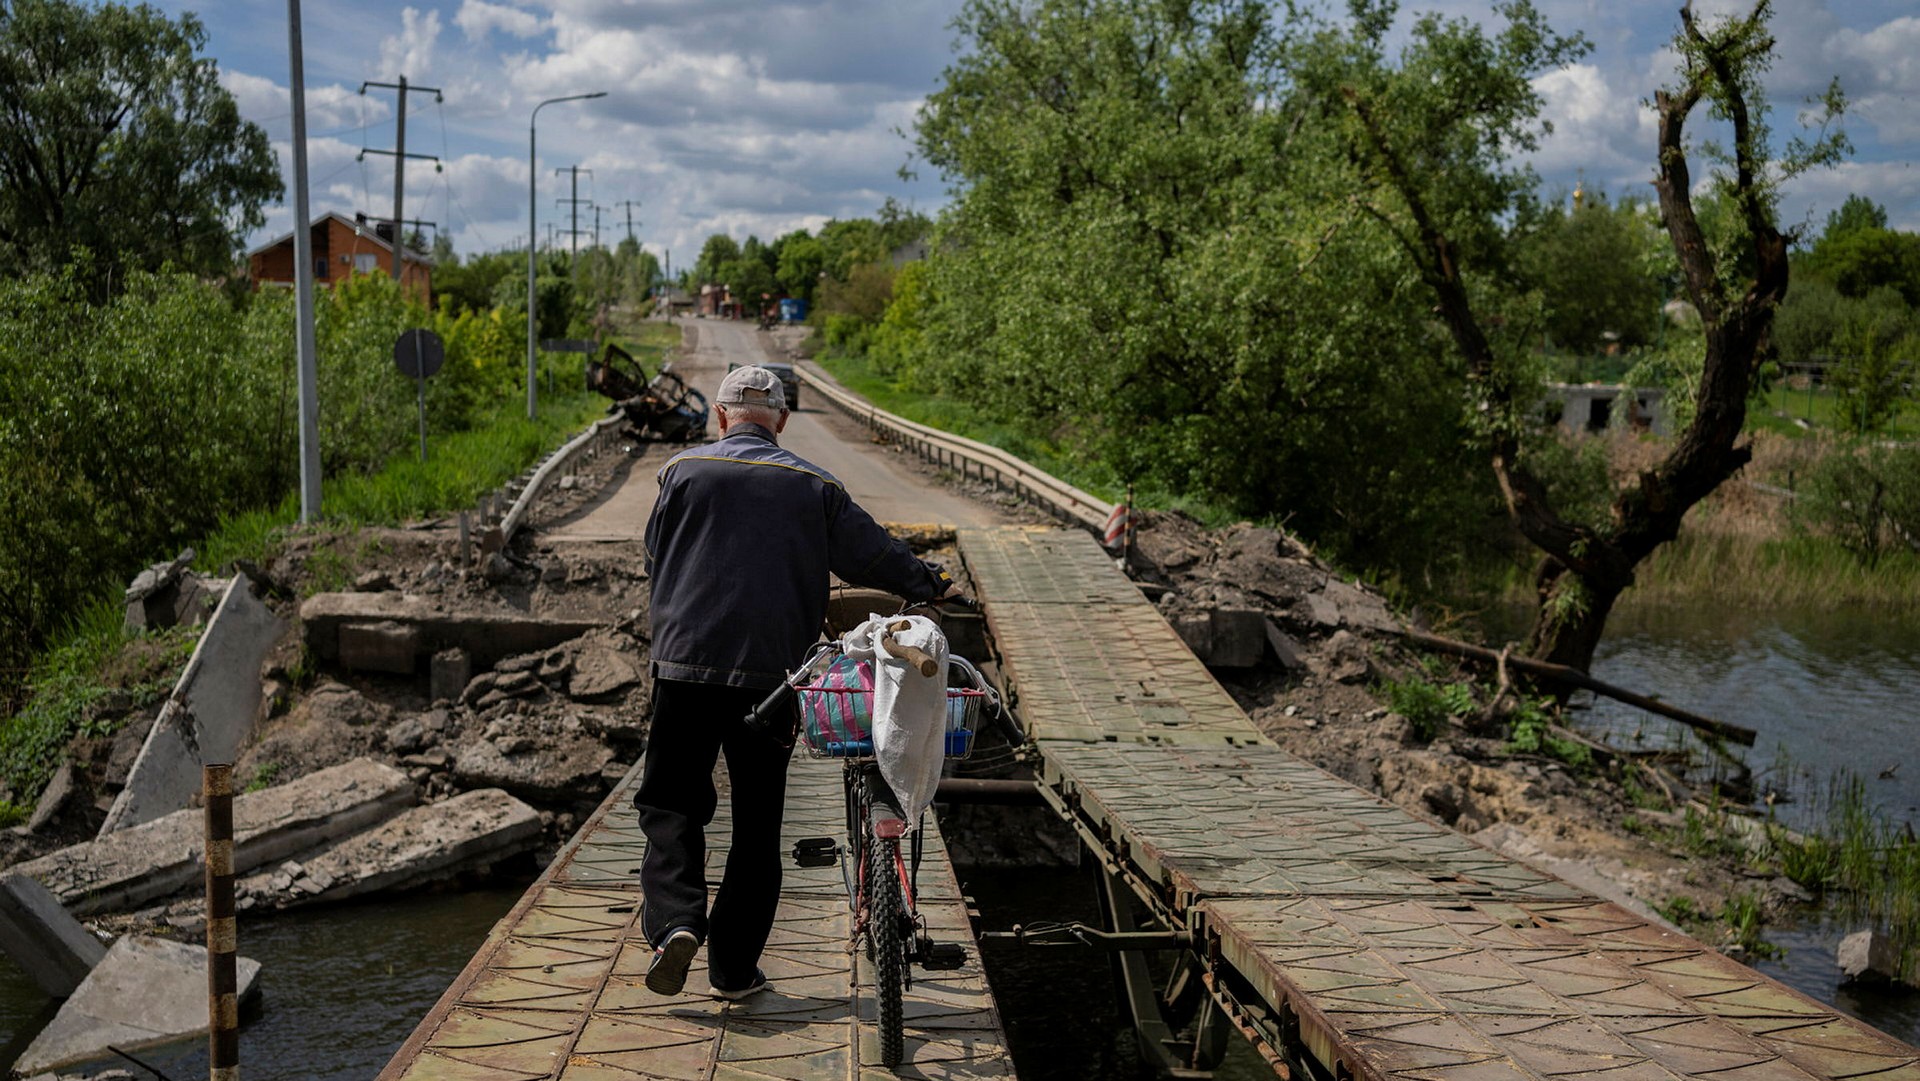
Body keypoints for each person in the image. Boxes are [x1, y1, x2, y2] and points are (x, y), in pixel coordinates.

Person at [635, 364, 956, 1000]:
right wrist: (929, 584)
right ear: (781, 419)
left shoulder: (680, 472)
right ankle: (730, 970)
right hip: (773, 678)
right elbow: (873, 554)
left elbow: (655, 555)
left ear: (722, 416)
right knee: (757, 827)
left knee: (671, 801)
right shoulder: (813, 484)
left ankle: (676, 920)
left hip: (684, 668)